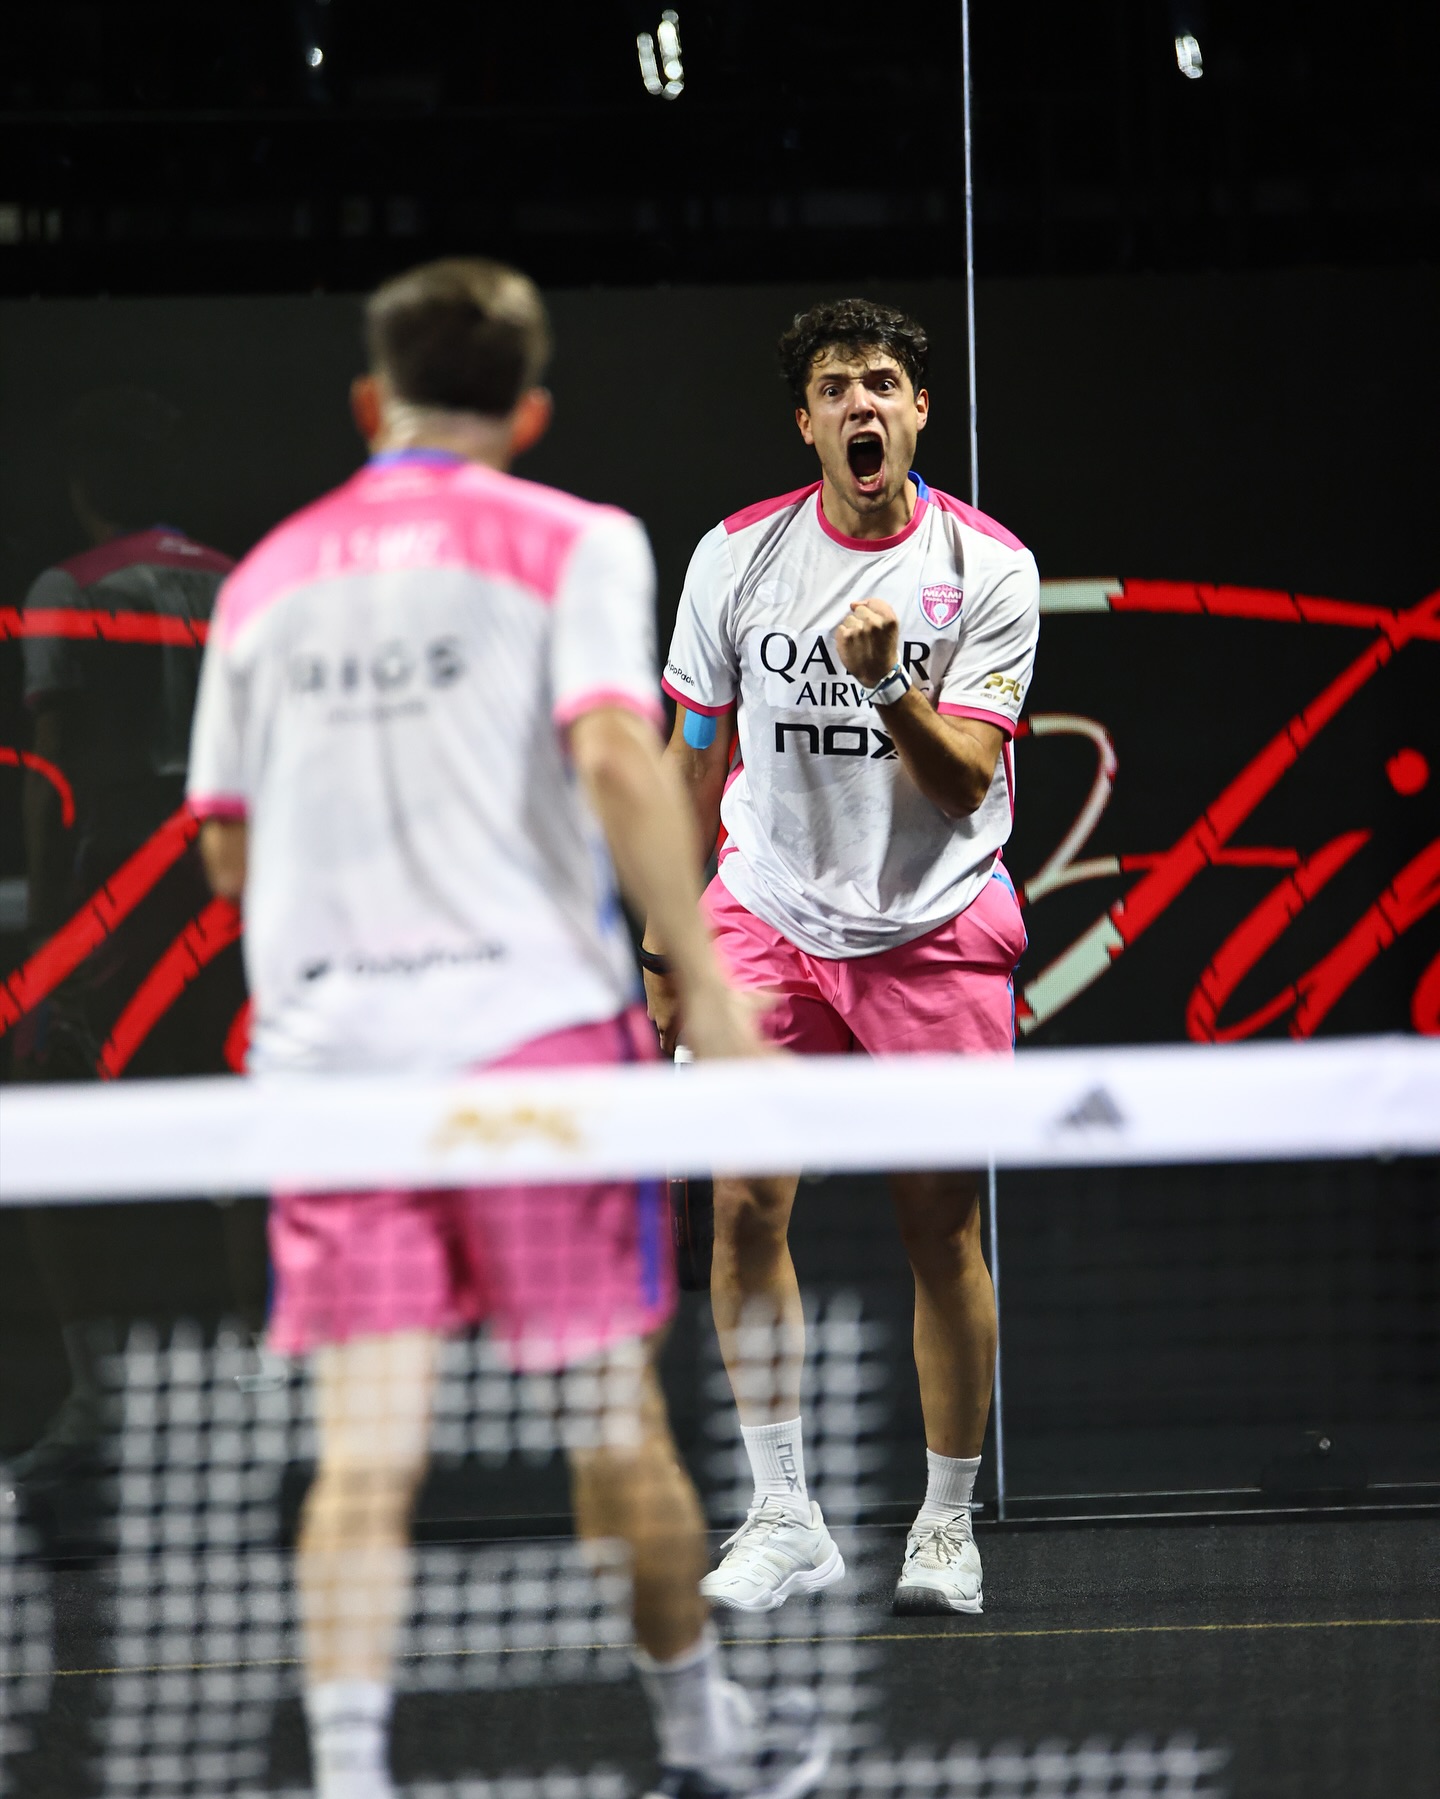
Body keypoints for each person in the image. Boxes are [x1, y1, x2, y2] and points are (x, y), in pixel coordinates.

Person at [187, 258, 827, 1799]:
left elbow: (225, 848)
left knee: (365, 1450)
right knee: (613, 1418)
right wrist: (711, 980)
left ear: (369, 400)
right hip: (539, 1052)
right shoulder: (578, 541)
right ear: (529, 410)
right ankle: (701, 1747)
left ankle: (352, 1780)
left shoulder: (267, 574)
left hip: (338, 1070)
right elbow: (618, 757)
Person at [643, 297, 1039, 1617]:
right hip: (768, 910)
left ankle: (941, 1525)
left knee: (941, 1231)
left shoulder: (990, 571)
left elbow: (963, 774)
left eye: (883, 384)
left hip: (932, 922)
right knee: (745, 1208)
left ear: (920, 412)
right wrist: (663, 928)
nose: (861, 406)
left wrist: (887, 686)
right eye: (835, 386)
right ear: (806, 420)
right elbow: (695, 752)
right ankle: (783, 1511)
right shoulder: (737, 557)